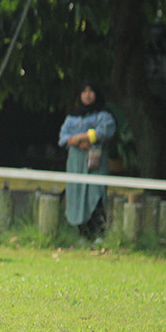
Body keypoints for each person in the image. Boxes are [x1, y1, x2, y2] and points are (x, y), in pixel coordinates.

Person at [58, 81, 116, 240]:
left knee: (95, 195)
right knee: (76, 194)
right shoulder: (72, 117)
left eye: (91, 91)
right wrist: (77, 141)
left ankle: (98, 234)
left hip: (95, 163)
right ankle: (81, 233)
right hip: (76, 163)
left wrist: (81, 137)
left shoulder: (104, 115)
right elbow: (63, 138)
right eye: (84, 91)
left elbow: (103, 131)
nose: (87, 95)